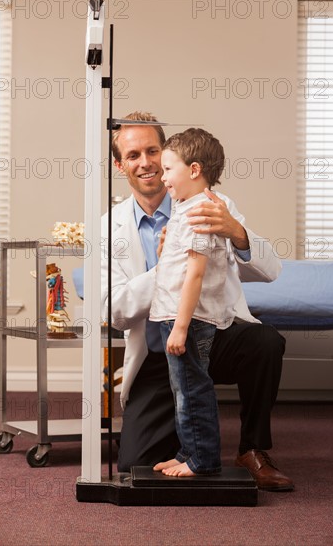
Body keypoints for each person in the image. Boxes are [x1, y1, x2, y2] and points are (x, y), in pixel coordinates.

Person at [102, 111, 294, 491]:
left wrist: (236, 232)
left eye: (153, 150)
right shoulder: (110, 226)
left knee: (265, 342)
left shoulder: (213, 205)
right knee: (136, 465)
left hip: (213, 334)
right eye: (134, 154)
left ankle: (252, 448)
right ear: (119, 164)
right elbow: (115, 311)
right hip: (158, 351)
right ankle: (187, 440)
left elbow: (271, 270)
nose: (146, 163)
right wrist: (167, 268)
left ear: (170, 154)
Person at [149, 128, 228, 477]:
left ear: (194, 170)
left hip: (189, 320)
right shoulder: (186, 207)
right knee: (182, 391)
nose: (162, 177)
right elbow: (179, 264)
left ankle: (202, 461)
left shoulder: (200, 212)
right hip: (177, 316)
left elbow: (195, 275)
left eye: (168, 169)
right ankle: (187, 454)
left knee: (193, 391)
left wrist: (180, 327)